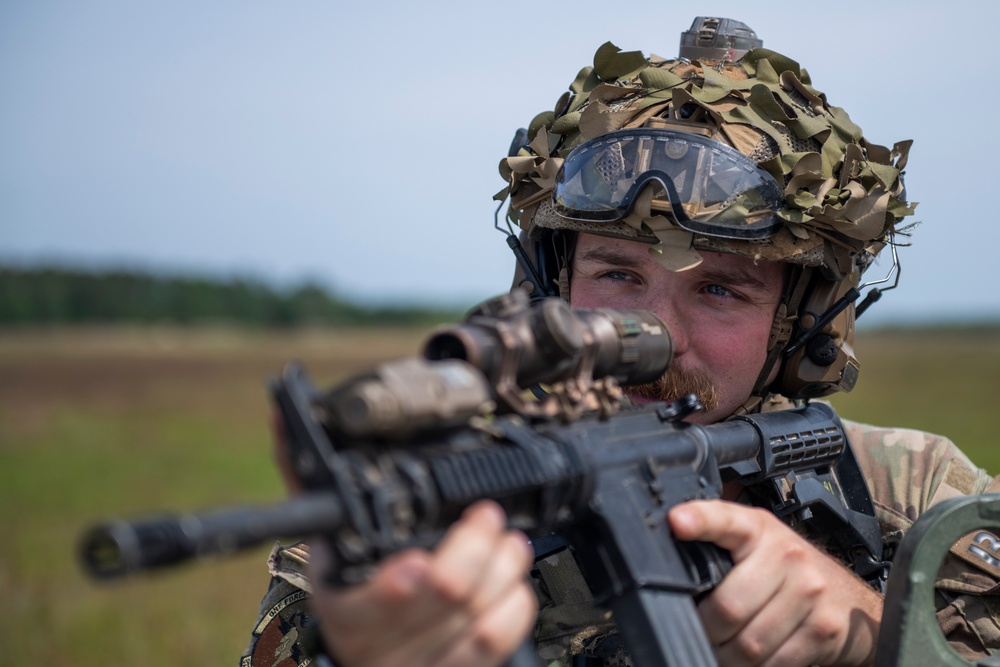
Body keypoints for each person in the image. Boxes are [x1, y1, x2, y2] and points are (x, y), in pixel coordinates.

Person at [241, 17, 1000, 667]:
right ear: (552, 282)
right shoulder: (415, 534)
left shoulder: (914, 492)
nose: (657, 336)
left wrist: (871, 631)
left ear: (797, 324)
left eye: (719, 288)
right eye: (616, 272)